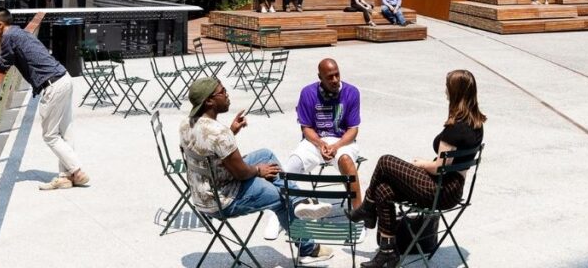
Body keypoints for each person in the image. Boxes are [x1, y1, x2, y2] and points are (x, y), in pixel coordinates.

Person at [179, 77, 334, 266]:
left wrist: (232, 131)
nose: (227, 95)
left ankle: (298, 200)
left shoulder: (186, 124)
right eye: (223, 92)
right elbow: (241, 173)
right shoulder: (220, 133)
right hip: (222, 200)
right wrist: (259, 171)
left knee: (265, 155)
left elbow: (210, 148)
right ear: (209, 101)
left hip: (202, 193)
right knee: (281, 197)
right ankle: (308, 249)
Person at [350, 70, 485, 268]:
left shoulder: (455, 129)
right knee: (383, 189)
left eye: (447, 87)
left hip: (439, 191)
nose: (445, 91)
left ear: (455, 92)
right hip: (453, 190)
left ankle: (367, 208)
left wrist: (421, 164)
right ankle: (387, 252)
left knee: (385, 161)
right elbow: (448, 165)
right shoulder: (476, 125)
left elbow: (439, 168)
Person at [0, 6, 89, 191]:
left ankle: (77, 171)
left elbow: (2, 66)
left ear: (0, 25)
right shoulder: (18, 33)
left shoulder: (8, 37)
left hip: (52, 86)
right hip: (63, 78)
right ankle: (65, 177)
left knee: (50, 136)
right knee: (65, 131)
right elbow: (6, 59)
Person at [264, 59, 364, 239]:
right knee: (290, 167)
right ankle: (278, 215)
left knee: (347, 162)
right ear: (320, 78)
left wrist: (336, 146)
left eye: (337, 75)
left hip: (342, 141)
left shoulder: (352, 92)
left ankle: (359, 218)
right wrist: (320, 143)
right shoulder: (308, 93)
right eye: (330, 77)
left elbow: (353, 129)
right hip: (315, 141)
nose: (335, 80)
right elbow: (306, 128)